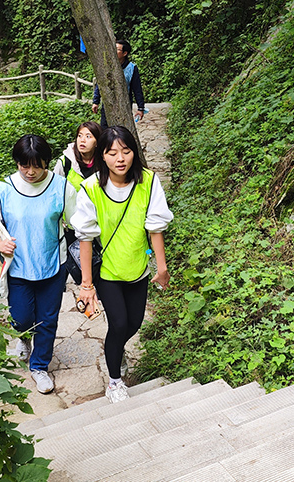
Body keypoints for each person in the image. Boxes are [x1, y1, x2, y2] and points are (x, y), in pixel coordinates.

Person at [71, 126, 172, 403]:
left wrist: (161, 268)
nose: (120, 158)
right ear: (102, 156)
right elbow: (86, 238)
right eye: (112, 152)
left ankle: (115, 349)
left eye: (126, 151)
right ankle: (115, 381)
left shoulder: (148, 182)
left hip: (137, 268)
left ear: (133, 153)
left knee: (134, 324)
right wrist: (87, 285)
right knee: (118, 324)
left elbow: (155, 228)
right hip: (108, 272)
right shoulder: (91, 189)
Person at [0, 135, 76, 395]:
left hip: (52, 263)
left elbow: (79, 221)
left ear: (46, 163)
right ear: (17, 162)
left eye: (37, 166)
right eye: (24, 165)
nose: (30, 172)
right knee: (21, 318)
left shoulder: (61, 187)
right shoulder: (4, 189)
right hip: (18, 266)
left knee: (47, 320)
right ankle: (23, 338)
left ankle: (40, 366)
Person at [53, 122, 103, 284]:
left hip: (99, 225)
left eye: (88, 136)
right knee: (74, 266)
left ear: (97, 141)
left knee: (98, 265)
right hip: (71, 227)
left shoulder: (104, 162)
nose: (82, 140)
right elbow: (54, 192)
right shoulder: (65, 162)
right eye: (80, 136)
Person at [92, 41, 145, 127]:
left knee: (122, 130)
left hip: (124, 104)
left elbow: (137, 89)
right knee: (105, 130)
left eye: (117, 49)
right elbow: (100, 84)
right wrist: (96, 101)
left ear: (125, 53)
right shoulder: (106, 65)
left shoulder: (131, 68)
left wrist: (140, 108)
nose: (113, 51)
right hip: (107, 103)